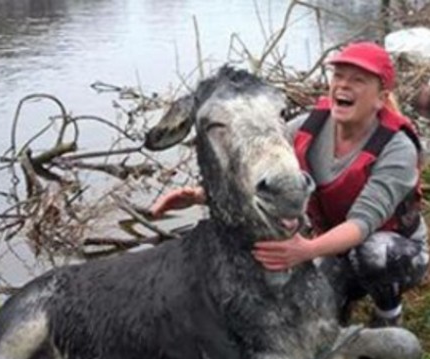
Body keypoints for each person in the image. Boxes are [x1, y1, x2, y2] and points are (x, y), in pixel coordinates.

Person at [150, 42, 429, 327]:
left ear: (381, 98)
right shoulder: (306, 127)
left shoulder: (398, 148)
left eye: (358, 80)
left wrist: (305, 251)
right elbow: (268, 182)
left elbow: (363, 223)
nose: (344, 86)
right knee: (313, 313)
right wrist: (201, 196)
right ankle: (343, 299)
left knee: (374, 255)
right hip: (330, 244)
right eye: (339, 76)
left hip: (393, 248)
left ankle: (388, 313)